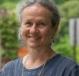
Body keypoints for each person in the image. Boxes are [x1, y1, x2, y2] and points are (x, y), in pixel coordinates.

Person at [1, 0, 79, 76]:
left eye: (41, 24)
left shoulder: (69, 70)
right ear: (21, 27)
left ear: (54, 29)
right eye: (28, 23)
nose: (33, 30)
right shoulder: (8, 70)